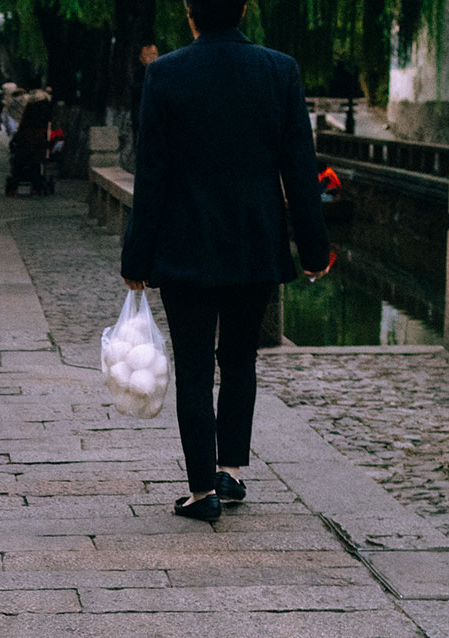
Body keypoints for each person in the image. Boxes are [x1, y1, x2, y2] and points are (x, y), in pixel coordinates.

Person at [120, 0, 329, 520]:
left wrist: (136, 256)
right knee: (239, 360)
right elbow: (299, 167)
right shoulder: (279, 69)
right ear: (242, 11)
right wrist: (314, 248)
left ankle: (200, 491)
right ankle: (231, 471)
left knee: (194, 369)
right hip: (254, 242)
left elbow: (152, 174)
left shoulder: (165, 74)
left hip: (186, 243)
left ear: (190, 14)